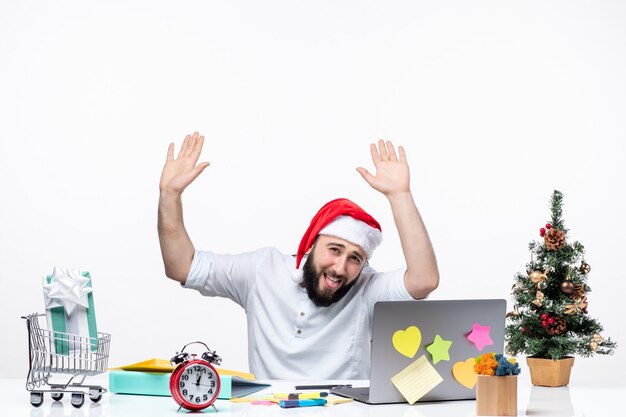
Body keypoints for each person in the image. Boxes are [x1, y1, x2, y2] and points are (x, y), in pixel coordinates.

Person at [158, 132, 439, 379]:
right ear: (311, 244)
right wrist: (170, 193)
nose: (340, 268)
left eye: (355, 258)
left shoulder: (366, 289)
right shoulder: (261, 270)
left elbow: (424, 279)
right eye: (334, 250)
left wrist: (400, 195)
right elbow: (182, 266)